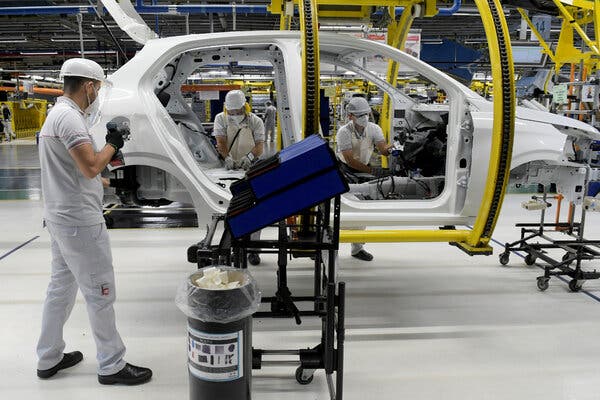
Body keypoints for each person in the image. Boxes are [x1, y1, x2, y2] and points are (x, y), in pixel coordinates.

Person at [36, 58, 152, 385]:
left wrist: (104, 182)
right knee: (101, 292)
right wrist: (113, 143)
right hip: (79, 223)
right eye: (97, 88)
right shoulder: (70, 119)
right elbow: (89, 166)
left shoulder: (56, 115)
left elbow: (76, 171)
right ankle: (112, 365)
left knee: (60, 288)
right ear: (88, 85)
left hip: (61, 217)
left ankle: (49, 356)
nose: (97, 94)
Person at [336, 96, 393, 262]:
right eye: (360, 115)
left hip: (364, 170)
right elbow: (349, 160)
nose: (364, 117)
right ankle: (333, 244)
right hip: (345, 171)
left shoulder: (374, 128)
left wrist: (392, 148)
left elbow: (382, 149)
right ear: (350, 116)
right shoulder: (343, 132)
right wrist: (373, 171)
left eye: (366, 114)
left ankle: (357, 248)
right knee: (343, 209)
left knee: (361, 209)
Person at [213, 90, 265, 265]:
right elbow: (220, 142)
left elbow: (259, 145)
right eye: (231, 111)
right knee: (231, 209)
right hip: (228, 170)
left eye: (237, 111)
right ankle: (231, 247)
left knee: (254, 208)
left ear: (245, 107)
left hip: (250, 168)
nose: (234, 114)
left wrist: (248, 159)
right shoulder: (221, 118)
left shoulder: (255, 121)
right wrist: (227, 158)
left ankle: (253, 249)